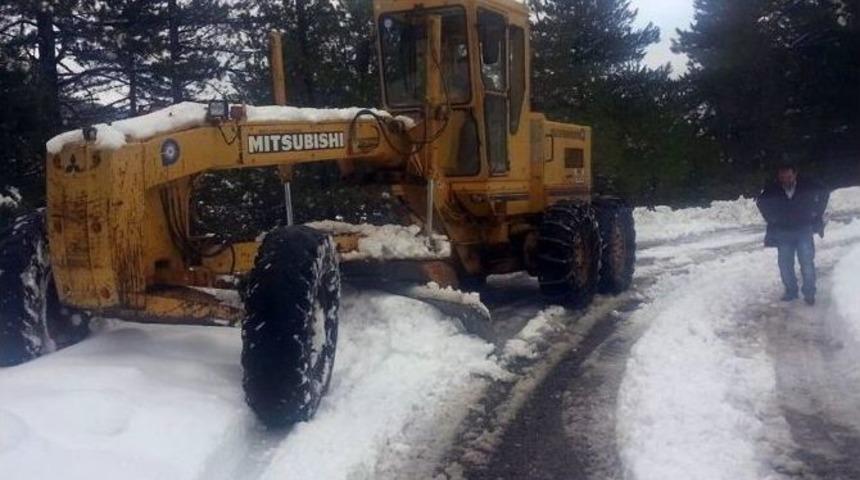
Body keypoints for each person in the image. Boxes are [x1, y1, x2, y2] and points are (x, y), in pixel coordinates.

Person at [756, 161, 829, 305]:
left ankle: (809, 293)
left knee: (807, 262)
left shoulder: (807, 185)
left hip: (804, 229)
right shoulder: (773, 189)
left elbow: (824, 192)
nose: (786, 180)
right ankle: (791, 291)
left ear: (795, 174)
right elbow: (761, 202)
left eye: (789, 177)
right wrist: (771, 218)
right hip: (783, 231)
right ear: (779, 176)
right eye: (783, 177)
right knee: (784, 264)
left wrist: (817, 212)